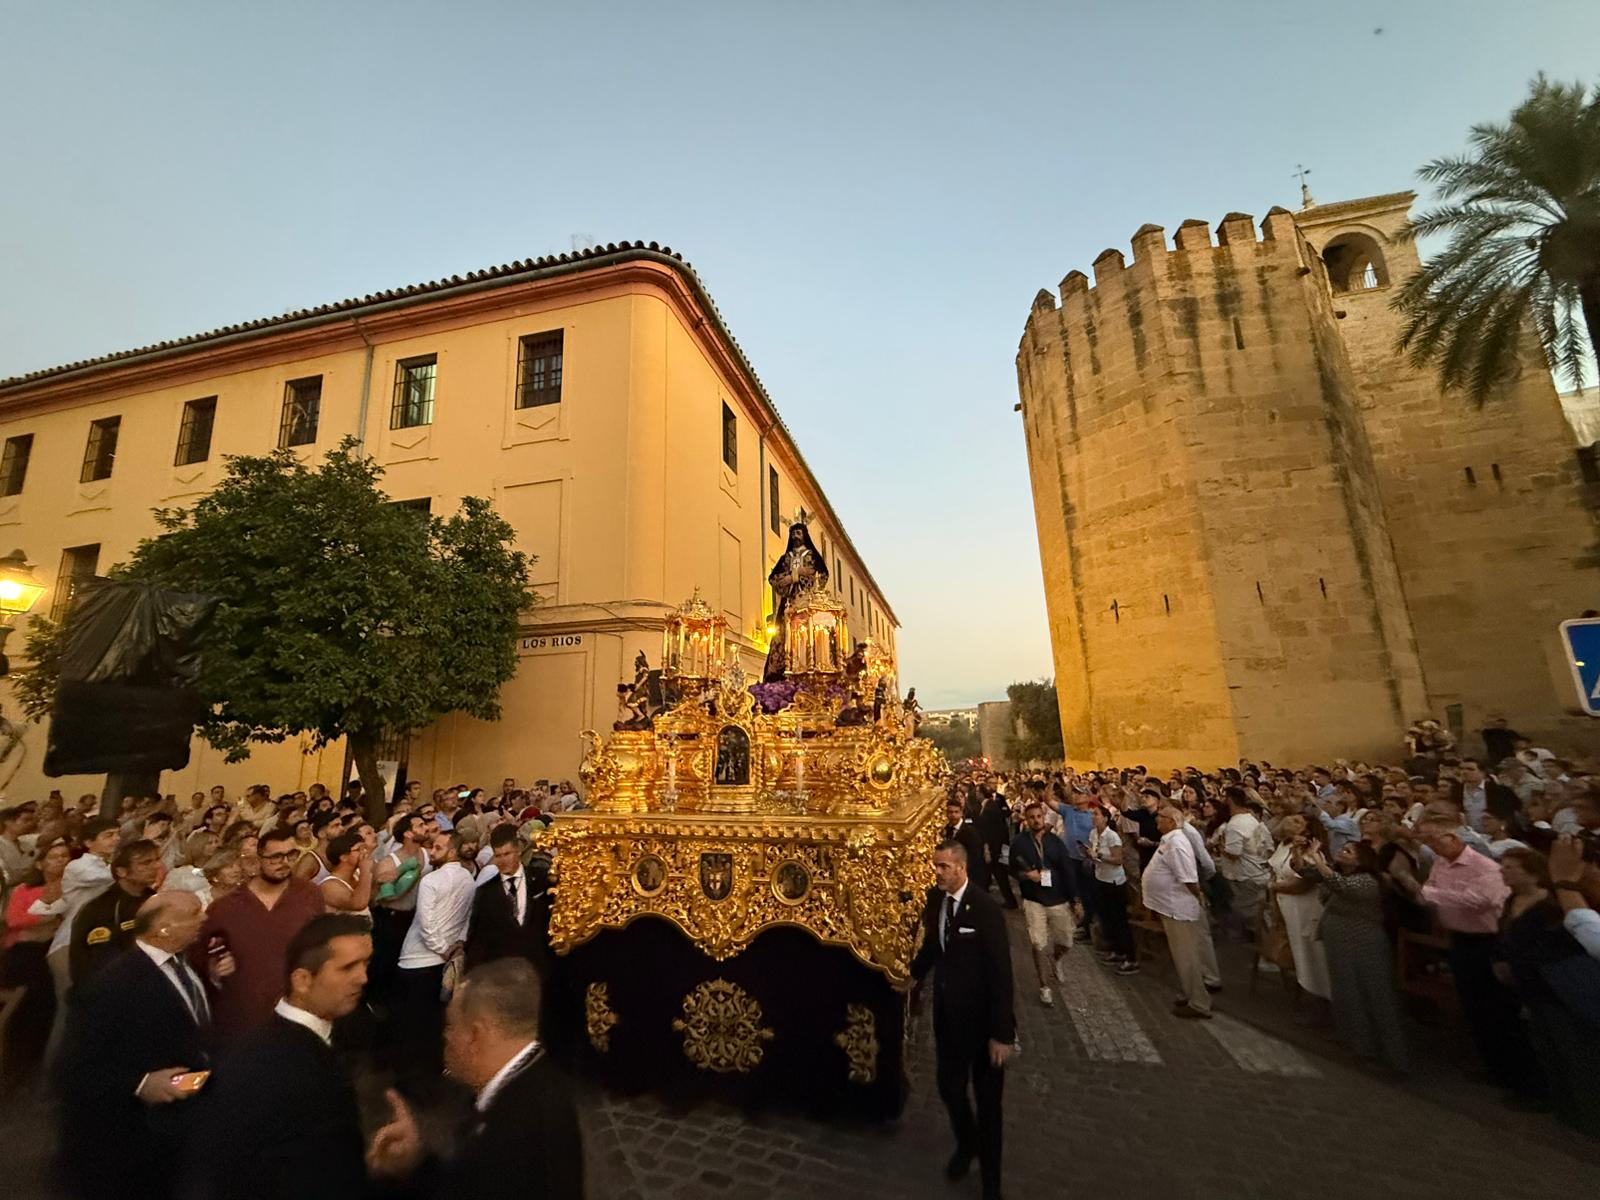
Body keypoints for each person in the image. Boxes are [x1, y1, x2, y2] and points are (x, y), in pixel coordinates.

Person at [181, 913, 422, 1199]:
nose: (363, 978)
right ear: (303, 980)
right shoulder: (286, 1068)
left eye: (366, 964)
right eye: (348, 968)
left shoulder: (335, 1035)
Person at [57, 892, 224, 1199]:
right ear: (164, 928)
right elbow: (73, 1066)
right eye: (194, 913)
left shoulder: (183, 964)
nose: (204, 917)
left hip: (190, 1116)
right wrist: (140, 1083)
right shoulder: (113, 983)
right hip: (142, 1135)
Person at [910, 840, 1013, 1200]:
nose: (936, 872)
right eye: (934, 866)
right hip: (949, 1020)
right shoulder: (936, 901)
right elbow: (932, 948)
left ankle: (991, 1182)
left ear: (961, 867)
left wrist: (1002, 1033)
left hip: (983, 1024)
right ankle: (967, 1144)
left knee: (989, 1107)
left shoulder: (985, 909)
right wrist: (909, 975)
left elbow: (1002, 973)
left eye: (943, 867)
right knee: (950, 1088)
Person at [429, 958, 584, 1199]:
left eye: (451, 1026)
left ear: (475, 1035)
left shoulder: (505, 1143)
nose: (446, 1037)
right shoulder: (544, 1079)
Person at [1418, 819, 1542, 1104]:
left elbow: (1478, 900)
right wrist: (1434, 894)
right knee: (1476, 1009)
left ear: (1453, 837)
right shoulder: (1440, 863)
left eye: (1435, 840)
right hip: (1460, 940)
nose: (1432, 847)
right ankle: (1495, 1069)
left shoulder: (1484, 867)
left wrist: (1432, 894)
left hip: (1486, 943)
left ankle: (1524, 1083)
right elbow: (1432, 887)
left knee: (1499, 1012)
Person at [1493, 847, 1599, 1134]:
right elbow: (1505, 936)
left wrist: (1524, 964)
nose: (1503, 871)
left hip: (1553, 987)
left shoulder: (1551, 905)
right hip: (1527, 986)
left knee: (1572, 1050)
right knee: (1546, 1048)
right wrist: (1501, 960)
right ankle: (1560, 1104)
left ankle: (1587, 1115)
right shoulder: (1513, 900)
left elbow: (1562, 947)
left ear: (1533, 872)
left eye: (1511, 867)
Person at [198, 826, 325, 1044]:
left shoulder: (309, 895)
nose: (284, 862)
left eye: (291, 855)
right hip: (242, 1018)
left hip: (296, 1012)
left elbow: (319, 944)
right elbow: (201, 957)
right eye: (275, 857)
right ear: (258, 858)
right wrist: (214, 969)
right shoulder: (225, 908)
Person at [1303, 840, 1408, 1072]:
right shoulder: (1339, 875)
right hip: (1339, 941)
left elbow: (1342, 886)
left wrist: (1321, 864)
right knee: (1347, 992)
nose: (1341, 851)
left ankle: (1392, 1055)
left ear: (1361, 860)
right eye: (1342, 848)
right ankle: (1359, 1044)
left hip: (1363, 942)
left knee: (1373, 995)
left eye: (1348, 851)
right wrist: (1304, 856)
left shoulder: (1368, 881)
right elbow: (1310, 874)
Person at [393, 829, 476, 1078]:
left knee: (411, 1025)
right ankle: (433, 1071)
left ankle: (410, 1076)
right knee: (434, 1023)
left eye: (438, 847)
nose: (431, 851)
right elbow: (467, 919)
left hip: (418, 959)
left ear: (452, 851)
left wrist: (441, 948)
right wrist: (456, 945)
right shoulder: (469, 879)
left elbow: (425, 922)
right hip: (444, 960)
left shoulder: (431, 880)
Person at [1143, 806, 1213, 1019]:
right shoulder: (1169, 839)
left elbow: (1189, 878)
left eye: (1161, 818)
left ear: (1172, 821)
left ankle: (1199, 1003)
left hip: (1178, 908)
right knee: (1182, 956)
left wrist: (1198, 895)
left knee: (1186, 957)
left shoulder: (1178, 843)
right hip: (1170, 906)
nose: (1157, 821)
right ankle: (1191, 993)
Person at [70, 838, 161, 989]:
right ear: (121, 871)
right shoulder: (101, 910)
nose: (156, 866)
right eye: (146, 863)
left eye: (157, 860)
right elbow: (93, 965)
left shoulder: (156, 899)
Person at [1008, 800, 1073, 1007]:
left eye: (1039, 816)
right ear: (1026, 820)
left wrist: (1075, 899)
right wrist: (1026, 875)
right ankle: (1044, 986)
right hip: (1033, 899)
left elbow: (1067, 870)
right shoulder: (1019, 842)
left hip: (1057, 898)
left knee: (1066, 941)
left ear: (1043, 817)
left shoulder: (1055, 841)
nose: (1036, 820)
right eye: (1032, 817)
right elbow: (1011, 869)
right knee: (1038, 943)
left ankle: (1056, 959)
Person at [1265, 814, 1331, 1001]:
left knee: (1309, 954)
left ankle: (1318, 998)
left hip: (1303, 908)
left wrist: (1273, 887)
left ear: (1307, 830)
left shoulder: (1312, 853)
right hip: (1284, 905)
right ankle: (1299, 995)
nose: (1288, 821)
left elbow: (1303, 883)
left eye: (1296, 821)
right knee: (1292, 951)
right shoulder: (1284, 845)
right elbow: (1275, 870)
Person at [465, 824, 545, 973]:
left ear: (519, 851)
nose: (502, 860)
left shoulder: (541, 880)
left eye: (507, 854)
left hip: (540, 970)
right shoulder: (486, 892)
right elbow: (478, 939)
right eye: (498, 855)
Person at [1085, 805, 1137, 974]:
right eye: (1093, 814)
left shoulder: (1112, 836)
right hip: (1101, 878)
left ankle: (1130, 957)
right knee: (1107, 918)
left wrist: (1100, 856)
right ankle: (1116, 950)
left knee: (1119, 919)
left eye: (1096, 814)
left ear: (1106, 818)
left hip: (1114, 882)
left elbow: (1118, 859)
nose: (1093, 817)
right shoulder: (1093, 834)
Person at [1217, 785, 1273, 942]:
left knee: (1251, 915)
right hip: (1257, 872)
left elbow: (1234, 854)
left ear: (1230, 801)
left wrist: (1222, 847)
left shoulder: (1235, 824)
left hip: (1246, 876)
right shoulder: (1250, 818)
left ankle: (1262, 948)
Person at [976, 788, 1016, 909]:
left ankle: (1010, 901)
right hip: (1000, 846)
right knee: (998, 873)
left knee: (1001, 874)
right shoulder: (989, 805)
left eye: (978, 792)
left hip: (996, 847)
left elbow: (991, 831)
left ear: (982, 794)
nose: (976, 795)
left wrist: (988, 848)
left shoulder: (989, 809)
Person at [319, 830, 374, 916]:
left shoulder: (356, 875)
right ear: (344, 857)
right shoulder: (329, 886)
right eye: (359, 849)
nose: (364, 853)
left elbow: (369, 897)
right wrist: (366, 871)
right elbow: (358, 904)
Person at [941, 799, 988, 890]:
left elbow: (975, 856)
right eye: (950, 812)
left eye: (956, 812)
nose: (953, 815)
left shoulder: (970, 832)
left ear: (961, 813)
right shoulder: (946, 830)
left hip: (970, 875)